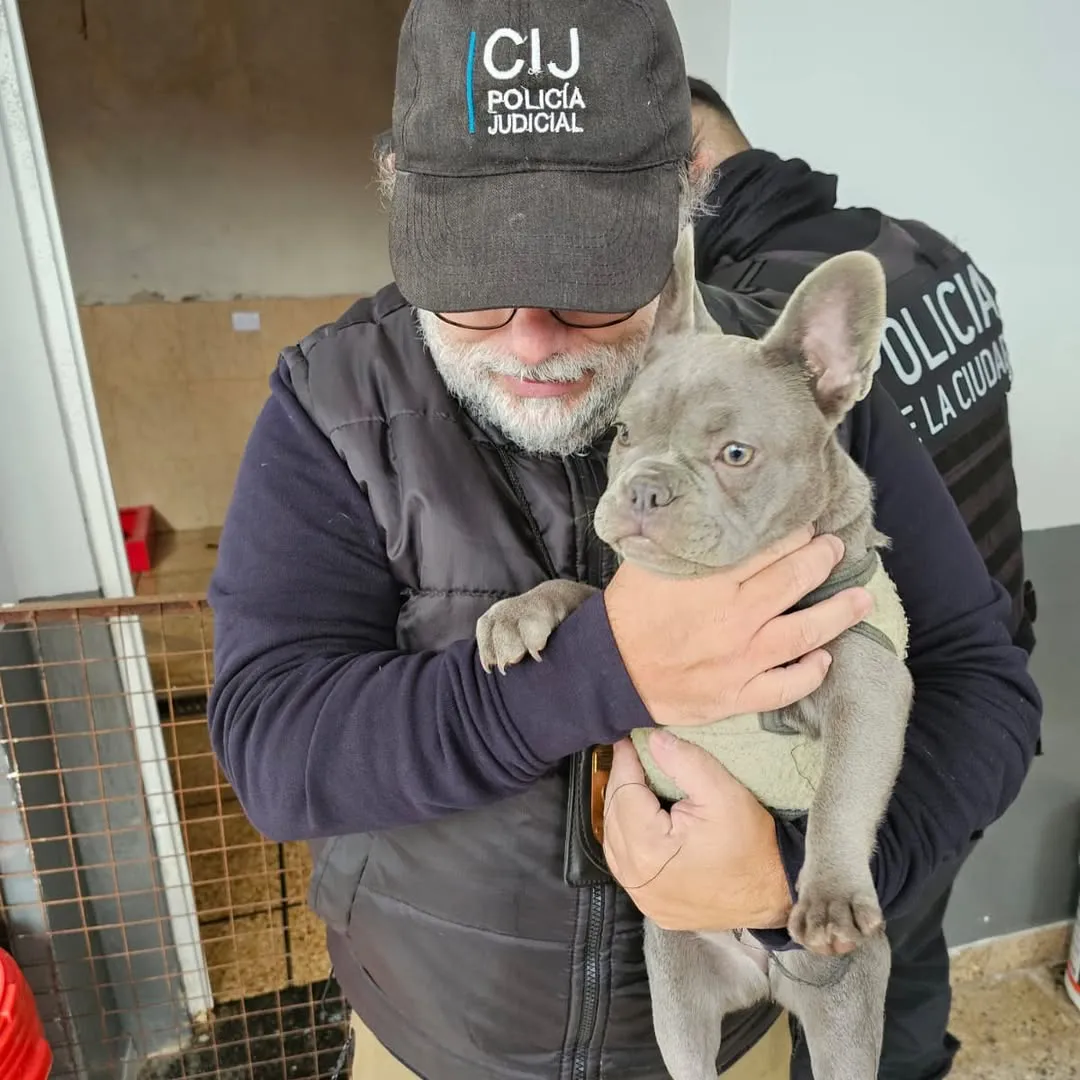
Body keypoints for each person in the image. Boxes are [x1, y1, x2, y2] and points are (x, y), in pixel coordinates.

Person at [205, 2, 1041, 1078]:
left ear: (683, 201)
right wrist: (601, 671)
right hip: (435, 1045)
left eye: (592, 273)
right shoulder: (334, 403)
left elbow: (986, 690)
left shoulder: (781, 387)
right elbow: (273, 750)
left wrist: (793, 880)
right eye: (467, 275)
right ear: (395, 198)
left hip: (727, 1033)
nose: (531, 335)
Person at [687, 75, 1037, 1078]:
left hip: (878, 722)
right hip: (989, 680)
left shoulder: (768, 331)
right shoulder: (928, 251)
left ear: (689, 169)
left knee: (842, 984)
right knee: (907, 957)